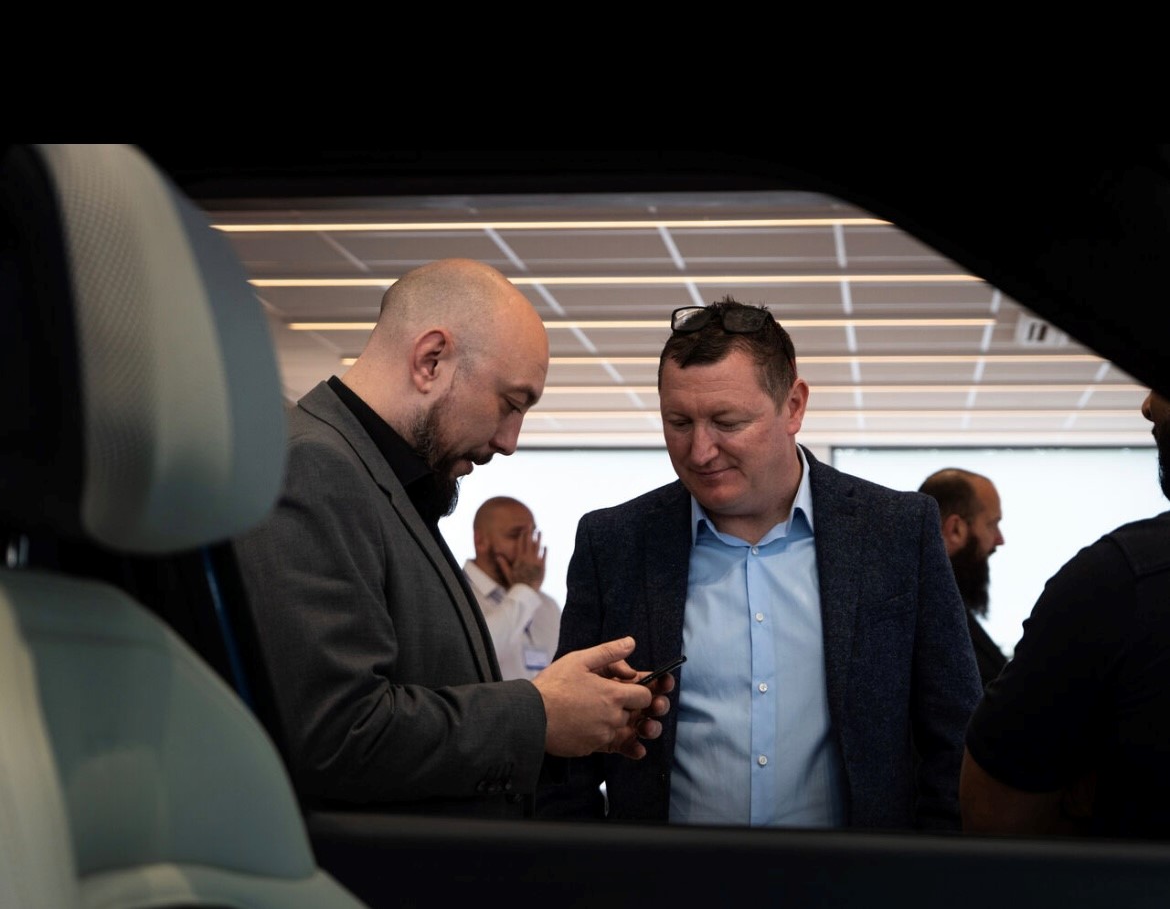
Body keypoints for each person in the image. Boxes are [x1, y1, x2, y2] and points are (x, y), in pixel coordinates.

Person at [231, 257, 671, 820]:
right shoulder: (315, 467)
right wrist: (538, 715)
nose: (510, 441)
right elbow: (337, 733)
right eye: (510, 403)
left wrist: (570, 710)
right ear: (431, 360)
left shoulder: (387, 481)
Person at [538, 297, 982, 831]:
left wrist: (932, 864)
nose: (700, 451)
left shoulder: (896, 531)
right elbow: (568, 754)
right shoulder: (614, 543)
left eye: (727, 422)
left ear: (793, 406)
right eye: (679, 422)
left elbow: (954, 732)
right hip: (662, 871)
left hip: (859, 871)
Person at [960, 389, 1170, 840]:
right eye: (993, 525)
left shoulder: (1119, 580)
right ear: (956, 529)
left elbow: (994, 814)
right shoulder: (1116, 581)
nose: (1147, 406)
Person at [917, 468, 1008, 688]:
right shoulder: (928, 619)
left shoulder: (934, 604)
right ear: (955, 529)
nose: (999, 539)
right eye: (992, 524)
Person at [464, 496, 562, 680]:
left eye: (532, 535)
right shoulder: (456, 594)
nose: (529, 546)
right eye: (515, 535)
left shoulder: (547, 606)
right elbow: (473, 655)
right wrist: (525, 589)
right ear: (480, 541)